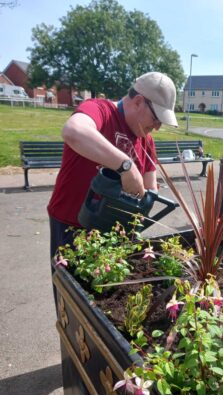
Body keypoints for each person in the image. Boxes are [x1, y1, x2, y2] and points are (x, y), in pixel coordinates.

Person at [48, 72, 178, 258]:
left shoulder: (146, 141)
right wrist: (126, 167)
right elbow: (73, 131)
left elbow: (150, 188)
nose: (157, 127)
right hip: (72, 225)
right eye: (156, 118)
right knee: (69, 286)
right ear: (139, 101)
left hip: (114, 231)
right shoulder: (99, 110)